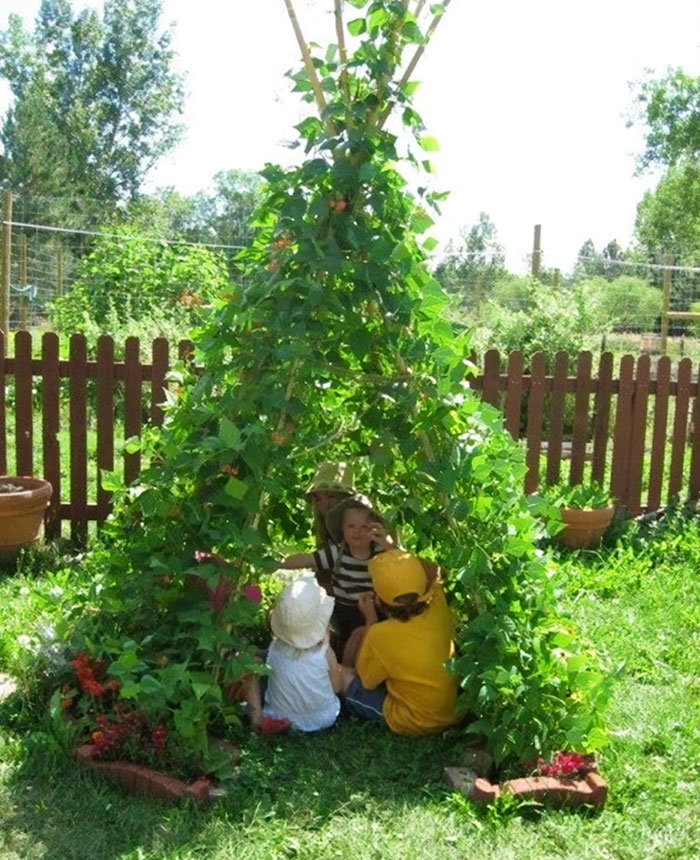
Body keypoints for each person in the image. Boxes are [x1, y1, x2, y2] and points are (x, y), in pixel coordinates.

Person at [341, 548, 460, 736]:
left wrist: (370, 620)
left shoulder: (379, 634)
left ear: (378, 598)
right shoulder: (438, 602)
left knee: (345, 678)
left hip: (415, 721)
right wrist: (394, 548)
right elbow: (435, 572)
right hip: (456, 712)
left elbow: (366, 682)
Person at [282, 494, 394, 661]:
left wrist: (388, 544)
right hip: (343, 610)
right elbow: (308, 559)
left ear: (373, 529)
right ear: (342, 529)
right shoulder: (338, 552)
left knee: (375, 645)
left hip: (373, 609)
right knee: (340, 643)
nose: (357, 531)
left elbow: (402, 561)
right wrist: (278, 563)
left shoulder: (380, 553)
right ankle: (339, 670)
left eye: (364, 527)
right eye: (351, 526)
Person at [242, 573, 344, 734]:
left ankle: (256, 719)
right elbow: (337, 687)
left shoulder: (274, 649)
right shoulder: (324, 652)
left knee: (251, 666)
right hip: (322, 719)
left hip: (278, 715)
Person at [304, 461, 355, 547]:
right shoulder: (325, 535)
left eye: (331, 497)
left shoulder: (360, 531)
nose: (325, 504)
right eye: (318, 499)